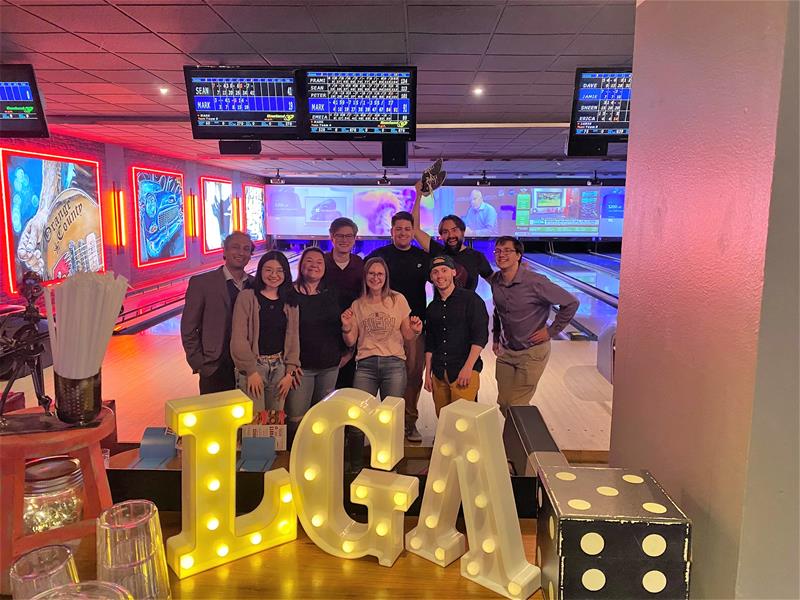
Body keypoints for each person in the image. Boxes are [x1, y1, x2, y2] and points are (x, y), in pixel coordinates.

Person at [490, 236, 579, 416]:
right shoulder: (495, 280)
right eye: (498, 251)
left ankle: (515, 443)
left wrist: (551, 331)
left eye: (507, 251)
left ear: (518, 255)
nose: (501, 255)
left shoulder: (536, 282)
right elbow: (498, 311)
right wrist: (496, 337)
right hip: (507, 352)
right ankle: (516, 439)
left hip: (532, 353)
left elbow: (571, 302)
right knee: (504, 403)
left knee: (516, 407)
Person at [365, 211, 429, 442]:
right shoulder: (379, 256)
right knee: (381, 374)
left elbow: (444, 279)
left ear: (413, 231)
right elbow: (364, 284)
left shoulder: (422, 257)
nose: (402, 232)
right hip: (383, 327)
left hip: (414, 327)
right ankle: (378, 422)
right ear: (391, 231)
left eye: (407, 228)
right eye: (398, 228)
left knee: (413, 376)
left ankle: (409, 422)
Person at [181, 231, 255, 394]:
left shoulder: (255, 284)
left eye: (246, 249)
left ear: (250, 255)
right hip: (215, 366)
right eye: (235, 247)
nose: (241, 252)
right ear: (224, 251)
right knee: (215, 418)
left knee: (248, 417)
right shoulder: (202, 283)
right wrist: (199, 363)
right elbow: (188, 328)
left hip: (249, 367)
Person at [341, 257, 423, 399]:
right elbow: (350, 341)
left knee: (390, 414)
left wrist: (415, 330)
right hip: (365, 365)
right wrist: (346, 327)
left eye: (380, 274)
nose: (375, 278)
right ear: (365, 276)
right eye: (371, 273)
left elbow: (407, 335)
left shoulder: (398, 299)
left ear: (386, 277)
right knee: (362, 414)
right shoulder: (357, 304)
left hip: (394, 364)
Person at [230, 251, 300, 413]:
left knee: (274, 424)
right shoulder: (247, 297)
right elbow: (238, 338)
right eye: (268, 270)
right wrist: (250, 371)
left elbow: (294, 338)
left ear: (286, 273)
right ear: (260, 271)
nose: (274, 275)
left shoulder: (290, 301)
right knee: (255, 426)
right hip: (254, 366)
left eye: (279, 270)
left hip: (280, 368)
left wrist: (290, 372)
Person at [285, 247, 346, 434]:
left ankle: (318, 457)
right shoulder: (289, 293)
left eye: (319, 262)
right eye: (309, 261)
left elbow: (345, 323)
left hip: (329, 366)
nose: (314, 265)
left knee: (322, 418)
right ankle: (295, 458)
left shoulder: (333, 292)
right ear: (301, 264)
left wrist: (346, 353)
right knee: (296, 418)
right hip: (300, 368)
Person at [424, 255, 489, 416]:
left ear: (453, 272)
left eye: (444, 270)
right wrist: (428, 374)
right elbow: (430, 342)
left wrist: (468, 368)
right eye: (435, 272)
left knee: (463, 422)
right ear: (431, 278)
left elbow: (480, 336)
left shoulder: (471, 300)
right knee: (444, 419)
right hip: (439, 373)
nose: (440, 276)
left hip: (464, 370)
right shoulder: (432, 307)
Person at [411, 181, 493, 292]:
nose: (451, 235)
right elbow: (415, 230)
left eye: (454, 230)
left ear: (462, 232)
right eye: (445, 232)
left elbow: (494, 282)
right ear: (441, 236)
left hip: (468, 308)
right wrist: (418, 196)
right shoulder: (438, 251)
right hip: (441, 309)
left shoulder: (477, 257)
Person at [322, 217, 364, 389]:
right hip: (325, 331)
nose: (344, 240)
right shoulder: (321, 262)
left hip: (351, 331)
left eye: (349, 236)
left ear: (355, 238)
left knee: (347, 386)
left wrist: (351, 348)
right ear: (332, 236)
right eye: (339, 236)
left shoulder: (360, 264)